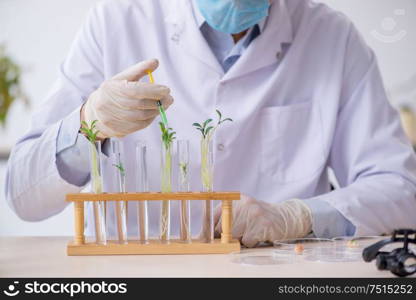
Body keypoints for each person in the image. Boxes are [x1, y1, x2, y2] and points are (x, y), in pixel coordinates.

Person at [5, 0, 416, 247]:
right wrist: (86, 127)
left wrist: (296, 217)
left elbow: (400, 190)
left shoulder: (332, 37)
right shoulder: (118, 21)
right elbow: (23, 194)